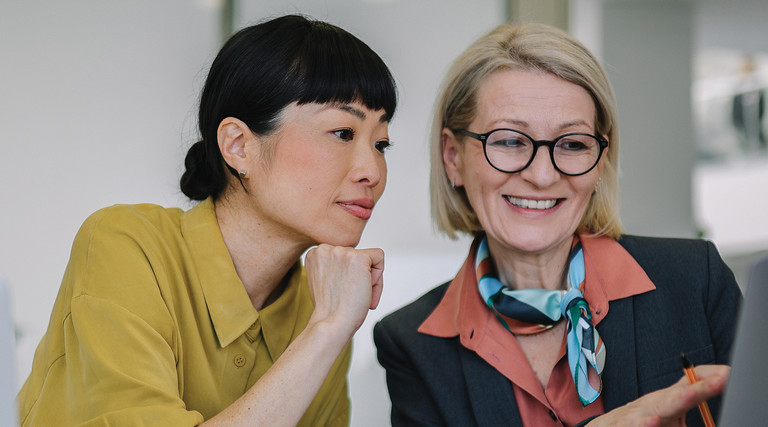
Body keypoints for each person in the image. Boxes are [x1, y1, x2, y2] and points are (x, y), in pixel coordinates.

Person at [18, 14, 396, 426]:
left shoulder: (322, 308)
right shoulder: (124, 245)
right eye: (343, 133)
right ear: (237, 145)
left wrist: (326, 327)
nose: (372, 171)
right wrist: (326, 331)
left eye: (381, 144)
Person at [374, 22, 740, 427]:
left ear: (601, 160)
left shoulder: (694, 279)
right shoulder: (412, 344)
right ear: (453, 157)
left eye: (572, 144)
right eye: (510, 141)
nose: (543, 176)